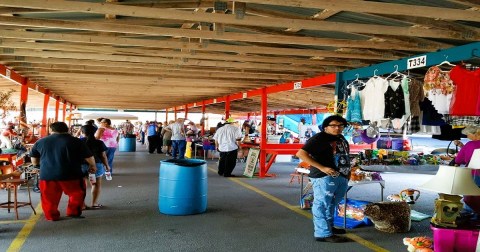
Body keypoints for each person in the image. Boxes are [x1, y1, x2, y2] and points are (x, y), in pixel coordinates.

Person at [295, 115, 351, 243]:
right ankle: (322, 233)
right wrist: (322, 168)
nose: (337, 128)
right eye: (333, 125)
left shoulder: (340, 138)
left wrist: (348, 172)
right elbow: (300, 154)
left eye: (340, 126)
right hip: (324, 177)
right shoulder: (319, 138)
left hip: (341, 176)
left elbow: (345, 156)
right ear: (326, 127)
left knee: (332, 203)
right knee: (321, 204)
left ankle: (329, 227)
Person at [30, 122, 96, 221]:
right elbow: (89, 157)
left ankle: (51, 216)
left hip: (48, 175)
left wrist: (38, 166)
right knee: (77, 193)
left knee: (49, 197)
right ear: (67, 129)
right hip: (72, 174)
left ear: (51, 130)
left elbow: (34, 159)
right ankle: (73, 212)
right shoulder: (76, 141)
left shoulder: (41, 142)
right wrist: (92, 166)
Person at [81, 125, 110, 209]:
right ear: (95, 132)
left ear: (82, 132)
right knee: (95, 185)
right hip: (96, 165)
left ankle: (82, 205)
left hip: (81, 165)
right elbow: (103, 156)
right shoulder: (99, 142)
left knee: (82, 186)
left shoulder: (78, 142)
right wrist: (107, 166)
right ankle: (94, 203)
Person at [453, 125, 480, 214]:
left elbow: (459, 159)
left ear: (476, 134)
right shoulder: (470, 144)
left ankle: (470, 215)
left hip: (474, 173)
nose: (467, 136)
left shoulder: (470, 144)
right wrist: (461, 145)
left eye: (468, 134)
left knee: (470, 194)